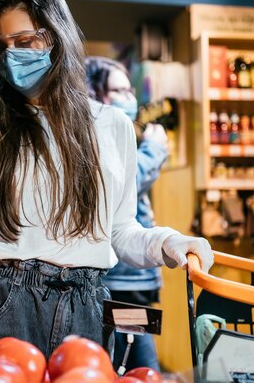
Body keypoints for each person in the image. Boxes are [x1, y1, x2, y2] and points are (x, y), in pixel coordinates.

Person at [0, 0, 213, 360]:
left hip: (86, 306)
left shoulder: (112, 126)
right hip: (0, 300)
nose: (12, 57)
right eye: (0, 47)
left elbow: (120, 232)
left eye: (25, 42)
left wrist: (169, 242)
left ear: (57, 36)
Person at [85, 56, 167, 371]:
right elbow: (120, 186)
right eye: (119, 90)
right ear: (95, 93)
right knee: (141, 367)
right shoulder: (96, 137)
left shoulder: (120, 134)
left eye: (130, 90)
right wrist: (155, 150)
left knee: (130, 363)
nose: (130, 99)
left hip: (131, 282)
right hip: (118, 283)